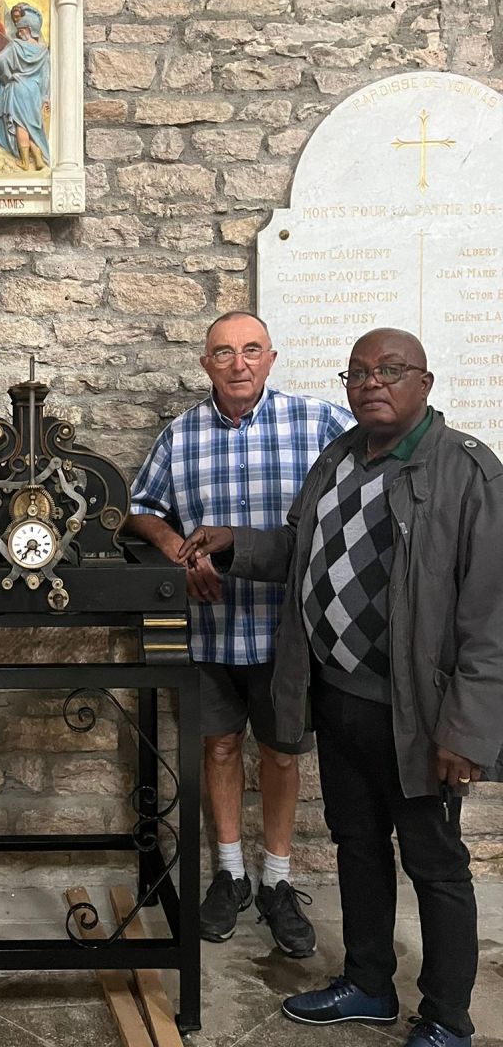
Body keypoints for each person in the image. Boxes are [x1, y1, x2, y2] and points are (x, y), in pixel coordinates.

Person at [178, 327, 503, 1047]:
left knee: (435, 866)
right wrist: (235, 545)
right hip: (342, 698)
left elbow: (491, 616)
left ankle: (447, 1020)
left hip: (418, 718)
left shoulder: (466, 471)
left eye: (389, 369)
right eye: (357, 372)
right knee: (357, 844)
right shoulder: (339, 458)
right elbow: (303, 550)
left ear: (424, 381)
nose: (371, 382)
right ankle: (367, 981)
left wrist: (467, 729)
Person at [127, 312, 353, 957]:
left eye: (251, 350)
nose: (238, 363)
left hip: (288, 631)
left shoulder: (319, 422)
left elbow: (368, 485)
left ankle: (278, 879)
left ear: (271, 358)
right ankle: (230, 873)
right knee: (220, 747)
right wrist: (177, 552)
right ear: (206, 364)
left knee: (281, 753)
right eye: (223, 353)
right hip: (213, 628)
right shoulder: (181, 434)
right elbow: (141, 509)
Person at [0, 8, 50, 171]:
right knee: (32, 126)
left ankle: (25, 161)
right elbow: (45, 77)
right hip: (33, 91)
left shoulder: (15, 45)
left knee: (21, 125)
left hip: (18, 87)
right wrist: (45, 97)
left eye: (22, 30)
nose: (19, 33)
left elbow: (0, 58)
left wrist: (8, 75)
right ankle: (38, 159)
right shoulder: (42, 50)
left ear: (29, 30)